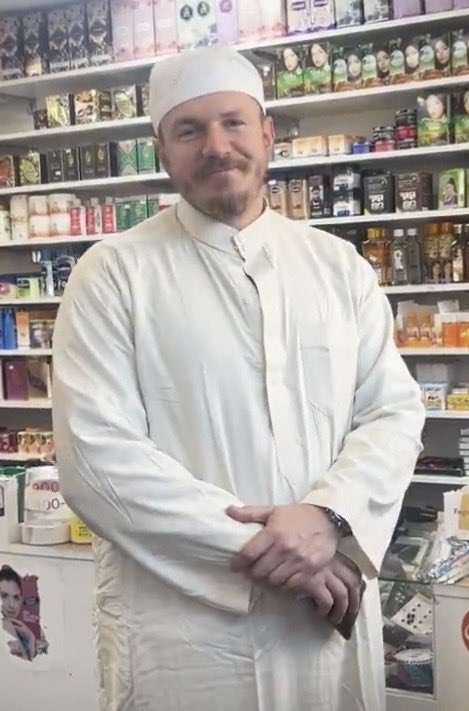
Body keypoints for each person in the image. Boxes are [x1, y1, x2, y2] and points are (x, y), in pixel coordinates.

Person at [52, 45, 425, 711]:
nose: (216, 146)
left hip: (323, 616)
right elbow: (95, 457)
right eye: (189, 129)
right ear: (161, 151)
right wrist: (278, 550)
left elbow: (391, 412)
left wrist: (329, 515)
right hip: (185, 632)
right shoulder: (113, 273)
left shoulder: (337, 266)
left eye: (233, 123)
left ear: (268, 133)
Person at [0, 565, 36, 661]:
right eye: (4, 596)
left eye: (16, 597)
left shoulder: (20, 632)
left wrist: (30, 638)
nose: (11, 605)